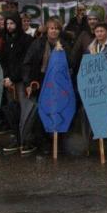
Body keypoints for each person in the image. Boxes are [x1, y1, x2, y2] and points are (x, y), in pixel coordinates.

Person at [21, 17, 72, 155]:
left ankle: (57, 143)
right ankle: (42, 143)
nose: (54, 31)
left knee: (58, 111)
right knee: (42, 113)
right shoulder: (37, 44)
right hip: (40, 81)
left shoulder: (65, 45)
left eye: (56, 28)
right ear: (47, 30)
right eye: (51, 28)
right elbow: (27, 64)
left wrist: (62, 53)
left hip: (59, 84)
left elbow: (71, 65)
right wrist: (28, 83)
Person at [0, 13, 33, 153]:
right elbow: (4, 60)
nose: (9, 26)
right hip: (9, 82)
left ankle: (26, 140)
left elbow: (25, 62)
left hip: (21, 82)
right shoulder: (6, 40)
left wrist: (13, 78)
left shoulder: (26, 40)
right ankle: (16, 138)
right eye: (7, 24)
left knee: (25, 112)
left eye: (12, 23)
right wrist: (6, 77)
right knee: (13, 111)